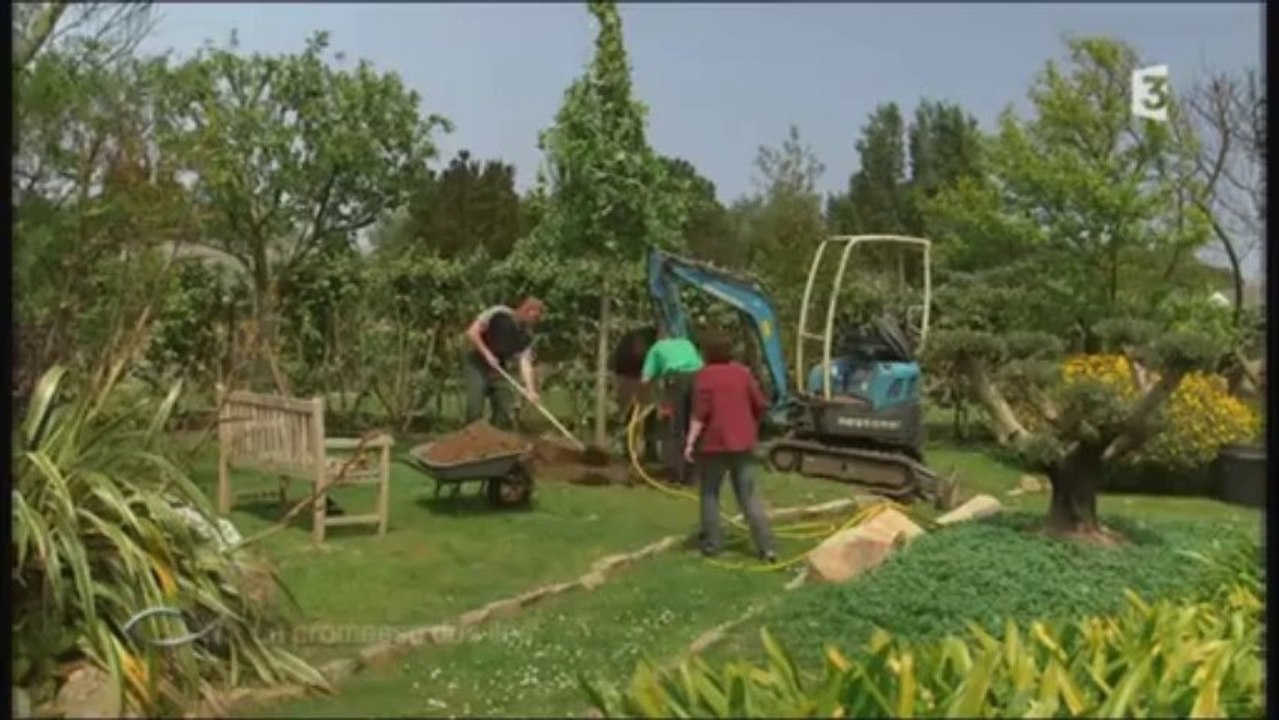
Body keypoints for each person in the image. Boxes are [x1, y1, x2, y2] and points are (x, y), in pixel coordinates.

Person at [683, 329, 776, 563]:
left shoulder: (704, 376)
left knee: (710, 494)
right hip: (743, 443)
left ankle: (713, 545)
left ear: (706, 353)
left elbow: (699, 415)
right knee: (748, 496)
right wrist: (750, 425)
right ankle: (767, 548)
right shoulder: (743, 373)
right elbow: (761, 405)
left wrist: (689, 442)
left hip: (715, 445)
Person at [463, 297, 544, 428]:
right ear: (526, 310)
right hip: (477, 362)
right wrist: (487, 354)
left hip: (499, 366)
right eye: (534, 317)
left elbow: (525, 362)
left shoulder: (526, 335)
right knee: (475, 407)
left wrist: (531, 390)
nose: (535, 321)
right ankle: (471, 440)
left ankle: (495, 440)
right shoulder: (498, 313)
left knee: (505, 409)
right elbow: (472, 333)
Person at [640, 325, 704, 484]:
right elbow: (700, 364)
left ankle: (674, 473)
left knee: (674, 427)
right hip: (698, 380)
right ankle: (693, 475)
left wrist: (642, 396)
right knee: (694, 424)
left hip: (675, 381)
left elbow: (645, 379)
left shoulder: (656, 348)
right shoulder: (686, 343)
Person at [611, 325, 659, 460]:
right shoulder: (646, 338)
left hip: (630, 373)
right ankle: (638, 448)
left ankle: (642, 448)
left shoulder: (643, 336)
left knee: (642, 412)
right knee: (642, 411)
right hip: (632, 373)